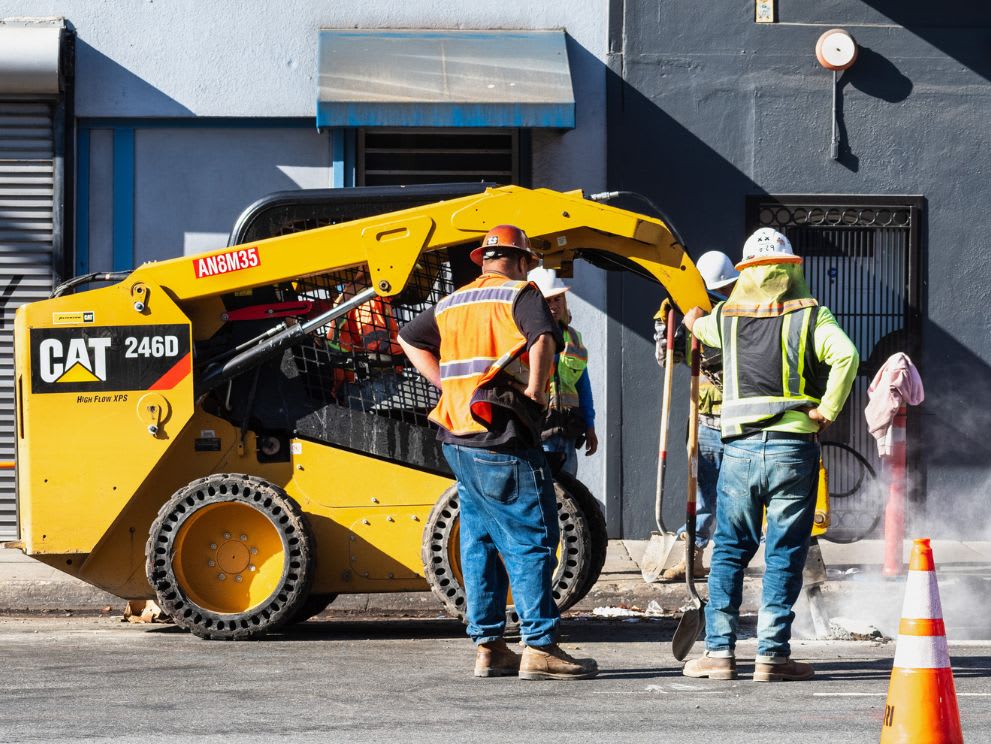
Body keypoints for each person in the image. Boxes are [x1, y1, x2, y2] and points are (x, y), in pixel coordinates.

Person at [398, 225, 599, 681]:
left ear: (484, 259)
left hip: (458, 436)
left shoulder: (453, 302)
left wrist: (446, 386)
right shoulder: (519, 294)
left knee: (480, 542)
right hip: (502, 434)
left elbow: (408, 339)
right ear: (521, 259)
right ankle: (541, 646)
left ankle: (489, 647)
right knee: (532, 540)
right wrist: (533, 391)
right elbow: (544, 337)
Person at [681, 228, 858, 682]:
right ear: (789, 267)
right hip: (793, 449)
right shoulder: (811, 316)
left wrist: (686, 315)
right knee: (783, 552)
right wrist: (826, 410)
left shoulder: (726, 317)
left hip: (738, 450)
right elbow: (847, 357)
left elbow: (695, 325)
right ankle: (772, 657)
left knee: (729, 552)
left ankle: (719, 654)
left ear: (746, 272)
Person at [653, 251, 738, 582]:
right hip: (702, 422)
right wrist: (665, 329)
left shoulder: (736, 318)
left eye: (723, 291)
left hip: (736, 426)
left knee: (734, 499)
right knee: (700, 496)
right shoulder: (688, 318)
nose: (720, 297)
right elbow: (666, 361)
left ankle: (728, 562)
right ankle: (693, 559)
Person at [527, 267, 598, 477]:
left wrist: (590, 425)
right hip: (539, 432)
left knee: (567, 496)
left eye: (557, 299)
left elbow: (583, 387)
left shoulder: (574, 338)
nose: (553, 306)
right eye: (547, 301)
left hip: (567, 430)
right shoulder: (524, 338)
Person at [329, 268, 404, 411]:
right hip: (378, 383)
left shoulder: (363, 299)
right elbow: (377, 347)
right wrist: (413, 347)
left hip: (353, 382)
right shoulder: (370, 302)